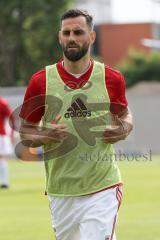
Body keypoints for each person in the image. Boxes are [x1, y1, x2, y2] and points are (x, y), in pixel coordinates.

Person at [19, 9, 133, 240]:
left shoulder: (112, 78)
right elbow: (25, 133)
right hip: (61, 191)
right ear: (59, 37)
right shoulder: (40, 81)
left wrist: (123, 129)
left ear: (91, 37)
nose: (72, 38)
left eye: (78, 32)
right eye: (67, 32)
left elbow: (125, 115)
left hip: (103, 187)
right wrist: (44, 135)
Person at [0, 97, 14, 189]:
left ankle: (4, 182)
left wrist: (11, 133)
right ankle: (4, 182)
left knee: (1, 158)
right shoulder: (2, 102)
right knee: (1, 158)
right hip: (1, 134)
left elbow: (11, 118)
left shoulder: (2, 103)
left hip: (1, 134)